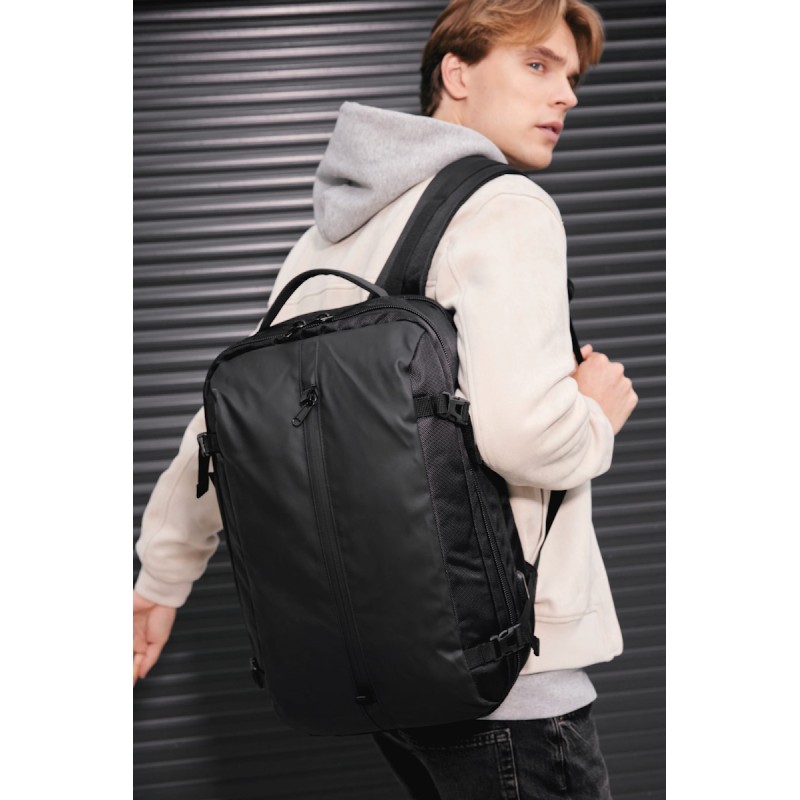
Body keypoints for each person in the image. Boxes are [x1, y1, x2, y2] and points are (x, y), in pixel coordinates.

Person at [133, 0, 638, 797]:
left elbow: (226, 434)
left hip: (394, 676)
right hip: (511, 680)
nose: (566, 94)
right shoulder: (506, 207)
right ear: (457, 72)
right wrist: (596, 414)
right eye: (537, 64)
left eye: (572, 76)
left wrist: (158, 582)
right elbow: (524, 438)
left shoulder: (327, 239)